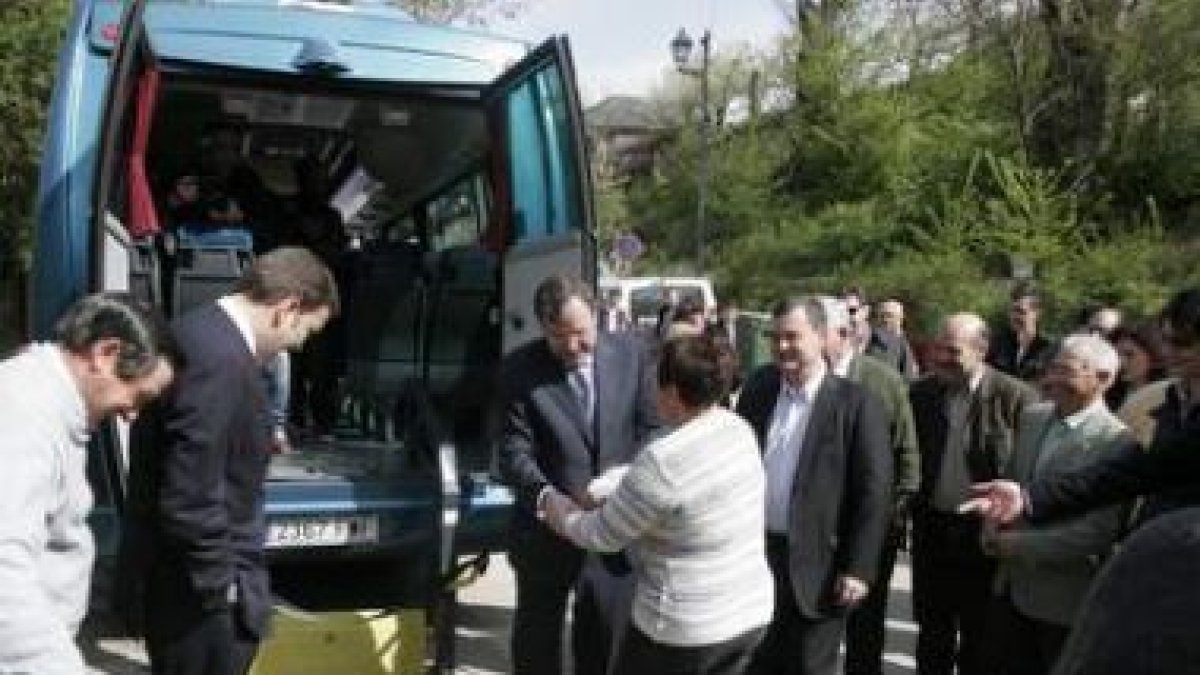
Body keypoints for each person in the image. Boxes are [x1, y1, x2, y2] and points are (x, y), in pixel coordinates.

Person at [124, 247, 338, 675]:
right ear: (288, 308)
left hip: (183, 588)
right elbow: (189, 492)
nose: (294, 348)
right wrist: (223, 587)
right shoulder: (221, 360)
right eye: (305, 333)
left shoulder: (198, 334)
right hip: (201, 605)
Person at [540, 335, 773, 674]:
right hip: (746, 615)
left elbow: (601, 534)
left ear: (674, 394)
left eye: (656, 385)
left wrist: (559, 512)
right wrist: (605, 485)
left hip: (684, 630)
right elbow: (669, 478)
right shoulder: (736, 429)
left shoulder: (662, 461)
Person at [0, 293, 178, 674]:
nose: (132, 415)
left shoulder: (52, 407)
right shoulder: (26, 416)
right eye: (140, 396)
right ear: (106, 353)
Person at [496, 274, 662, 675]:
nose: (572, 346)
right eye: (558, 337)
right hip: (546, 529)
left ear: (598, 316)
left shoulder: (633, 354)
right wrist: (544, 495)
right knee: (538, 644)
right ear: (542, 328)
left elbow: (652, 429)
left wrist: (623, 478)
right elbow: (512, 450)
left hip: (616, 526)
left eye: (581, 333)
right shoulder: (518, 370)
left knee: (607, 641)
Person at [735, 296, 892, 675]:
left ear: (821, 337)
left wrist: (858, 568)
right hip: (758, 560)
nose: (781, 346)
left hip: (818, 567)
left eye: (792, 336)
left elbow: (874, 490)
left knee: (807, 666)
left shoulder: (856, 404)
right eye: (775, 338)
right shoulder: (759, 389)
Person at [964, 287, 1200, 527]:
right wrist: (1027, 498)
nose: (1170, 351)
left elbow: (1150, 470)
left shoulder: (1124, 427)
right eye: (1167, 341)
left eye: (1183, 343)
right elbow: (1135, 472)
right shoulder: (1174, 400)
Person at [983, 334, 1131, 674]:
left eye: (1067, 372)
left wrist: (1017, 544)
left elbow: (1096, 532)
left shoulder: (1116, 443)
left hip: (1060, 602)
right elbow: (1011, 484)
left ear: (1104, 379)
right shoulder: (1034, 418)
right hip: (1008, 589)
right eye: (1053, 369)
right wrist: (991, 522)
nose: (1053, 380)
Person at [908, 313, 1036, 675]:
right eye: (938, 349)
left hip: (984, 533)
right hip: (932, 528)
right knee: (932, 631)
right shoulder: (922, 394)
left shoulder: (1016, 398)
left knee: (980, 635)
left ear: (982, 350)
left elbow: (1029, 470)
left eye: (953, 350)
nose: (941, 358)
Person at [816, 297, 920, 675]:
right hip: (814, 526)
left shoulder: (883, 381)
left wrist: (890, 522)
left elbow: (906, 455)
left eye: (816, 332)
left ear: (841, 335)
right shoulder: (793, 381)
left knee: (865, 624)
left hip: (869, 527)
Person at [844, 288, 916, 379]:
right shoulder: (830, 346)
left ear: (865, 310)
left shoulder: (895, 344)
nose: (846, 315)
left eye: (851, 311)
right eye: (841, 311)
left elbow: (909, 382)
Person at [987, 284, 1055, 382]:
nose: (1015, 317)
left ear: (1037, 313)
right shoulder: (996, 343)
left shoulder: (1048, 349)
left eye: (1021, 311)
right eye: (1012, 311)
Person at [1105, 321, 1168, 415]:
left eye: (1129, 355)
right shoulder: (1106, 396)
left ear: (1152, 356)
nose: (1120, 362)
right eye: (1116, 355)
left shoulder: (1167, 396)